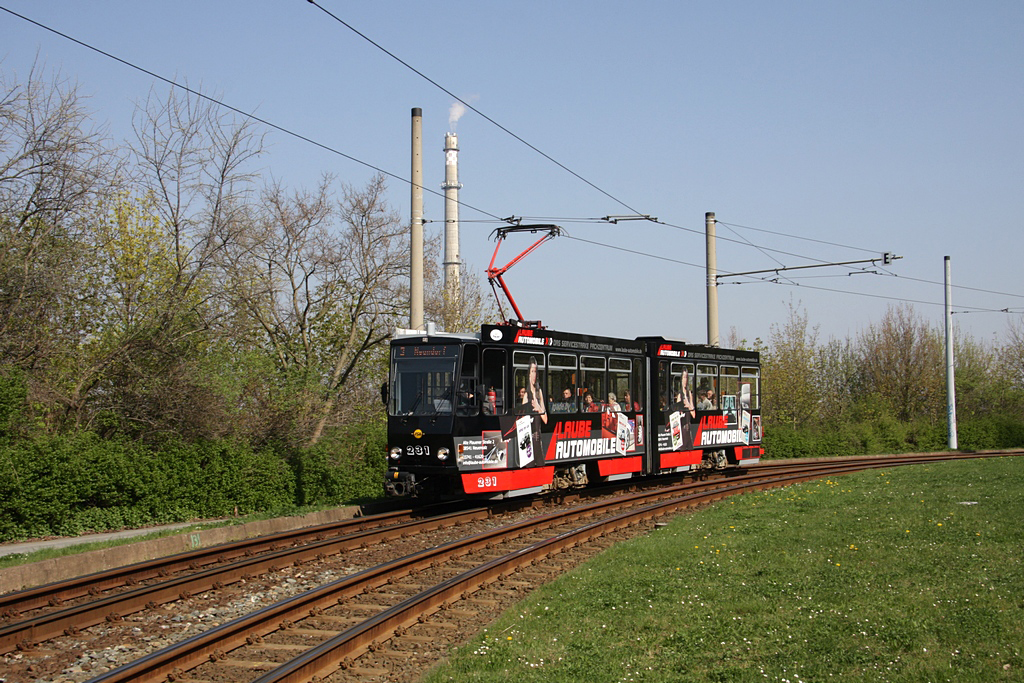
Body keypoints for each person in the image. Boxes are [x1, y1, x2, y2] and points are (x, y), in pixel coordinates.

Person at [524, 356, 547, 424]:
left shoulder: (539, 392)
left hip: (539, 433)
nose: (534, 375)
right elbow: (521, 420)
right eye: (532, 371)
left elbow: (545, 420)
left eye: (535, 372)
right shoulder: (526, 395)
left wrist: (539, 408)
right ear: (529, 374)